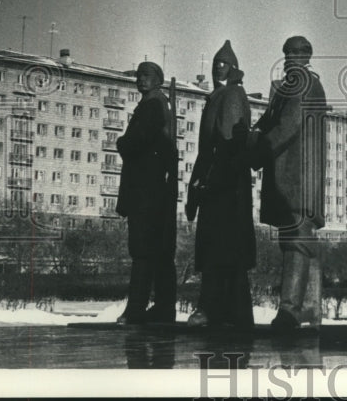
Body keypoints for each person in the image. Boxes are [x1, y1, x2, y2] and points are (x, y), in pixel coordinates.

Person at [251, 35, 329, 332]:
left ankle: (290, 310)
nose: (289, 57)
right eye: (286, 52)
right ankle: (304, 308)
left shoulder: (302, 84)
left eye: (296, 53)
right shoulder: (292, 85)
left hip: (298, 177)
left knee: (296, 238)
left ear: (307, 56)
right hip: (292, 176)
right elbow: (273, 121)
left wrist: (256, 151)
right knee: (297, 238)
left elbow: (287, 126)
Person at [185, 40, 257, 328]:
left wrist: (210, 182)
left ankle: (212, 309)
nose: (218, 68)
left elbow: (227, 142)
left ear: (234, 68)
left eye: (223, 64)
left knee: (222, 250)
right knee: (224, 252)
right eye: (215, 64)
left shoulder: (230, 96)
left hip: (225, 187)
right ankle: (232, 314)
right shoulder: (221, 95)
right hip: (222, 183)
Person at [115, 61, 177, 324]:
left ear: (159, 79)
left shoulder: (153, 105)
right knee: (159, 250)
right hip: (155, 187)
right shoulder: (159, 103)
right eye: (139, 75)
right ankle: (164, 307)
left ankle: (136, 309)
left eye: (147, 75)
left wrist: (121, 142)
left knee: (142, 249)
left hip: (146, 188)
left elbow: (135, 141)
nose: (141, 79)